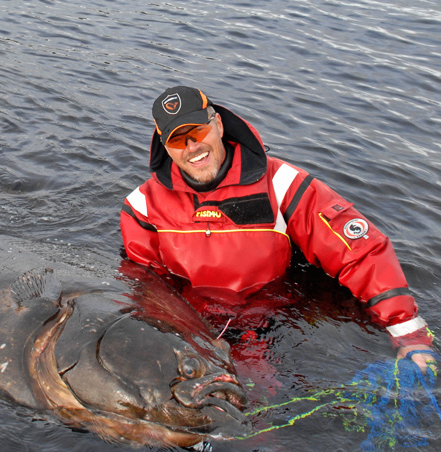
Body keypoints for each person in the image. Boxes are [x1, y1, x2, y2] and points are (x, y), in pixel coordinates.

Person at [120, 86, 435, 374]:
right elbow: (146, 285)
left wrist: (409, 333)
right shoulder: (141, 207)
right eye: (178, 139)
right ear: (166, 148)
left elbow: (361, 253)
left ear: (217, 124)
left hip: (267, 319)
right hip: (189, 325)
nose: (192, 146)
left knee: (253, 418)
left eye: (198, 131)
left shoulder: (283, 185)